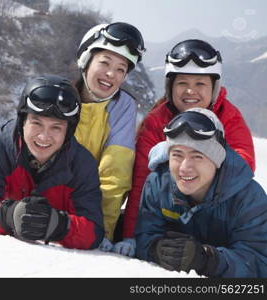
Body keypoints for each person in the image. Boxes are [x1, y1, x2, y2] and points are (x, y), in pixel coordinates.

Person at [115, 39, 256, 256]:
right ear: (170, 87)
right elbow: (141, 182)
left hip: (218, 218)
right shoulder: (156, 121)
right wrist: (131, 235)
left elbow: (244, 164)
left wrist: (197, 150)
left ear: (214, 88)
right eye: (182, 83)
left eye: (200, 84)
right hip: (172, 216)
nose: (190, 91)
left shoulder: (229, 116)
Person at [0, 75, 105, 250]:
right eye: (36, 123)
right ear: (22, 121)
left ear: (68, 132)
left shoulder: (82, 165)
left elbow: (94, 232)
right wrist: (8, 215)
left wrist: (58, 225)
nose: (43, 137)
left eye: (56, 127)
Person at [135, 108, 267, 278]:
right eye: (177, 155)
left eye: (197, 156)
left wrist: (208, 260)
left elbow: (259, 262)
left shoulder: (248, 198)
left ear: (216, 160)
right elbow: (144, 236)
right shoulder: (158, 184)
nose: (184, 167)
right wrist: (156, 250)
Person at [73, 22, 146, 253]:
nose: (110, 74)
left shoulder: (122, 107)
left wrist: (101, 229)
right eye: (104, 62)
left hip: (91, 215)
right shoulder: (61, 96)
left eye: (121, 69)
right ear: (86, 61)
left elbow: (115, 173)